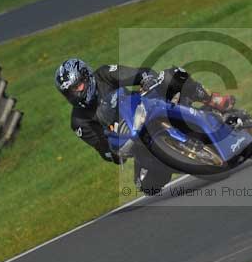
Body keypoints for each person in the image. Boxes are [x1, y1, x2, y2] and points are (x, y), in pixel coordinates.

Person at [54, 58, 235, 192]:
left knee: (171, 76)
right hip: (132, 139)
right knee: (146, 186)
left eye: (77, 86)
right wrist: (114, 151)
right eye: (69, 91)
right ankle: (181, 160)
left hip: (143, 105)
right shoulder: (79, 121)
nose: (75, 94)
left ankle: (213, 100)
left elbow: (137, 74)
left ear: (87, 77)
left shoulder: (103, 74)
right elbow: (103, 149)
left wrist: (146, 79)